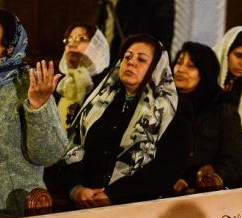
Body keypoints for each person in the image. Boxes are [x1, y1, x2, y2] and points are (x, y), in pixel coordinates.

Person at [58, 34, 191, 208]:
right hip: (85, 202)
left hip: (136, 206)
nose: (131, 62)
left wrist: (113, 194)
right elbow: (74, 146)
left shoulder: (172, 109)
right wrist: (76, 189)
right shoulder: (99, 100)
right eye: (127, 57)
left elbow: (169, 166)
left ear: (157, 68)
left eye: (142, 60)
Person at [0, 7, 67, 217]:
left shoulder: (28, 84)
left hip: (12, 213)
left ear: (8, 45)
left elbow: (49, 154)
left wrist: (38, 106)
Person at [171, 42, 242, 194]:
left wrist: (192, 180)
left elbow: (231, 164)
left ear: (205, 72)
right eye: (178, 63)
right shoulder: (164, 104)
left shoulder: (223, 111)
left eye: (191, 66)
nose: (180, 70)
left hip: (203, 195)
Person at [56, 23, 110, 132]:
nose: (71, 44)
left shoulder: (108, 85)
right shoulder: (58, 83)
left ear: (97, 47)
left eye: (81, 38)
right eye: (68, 39)